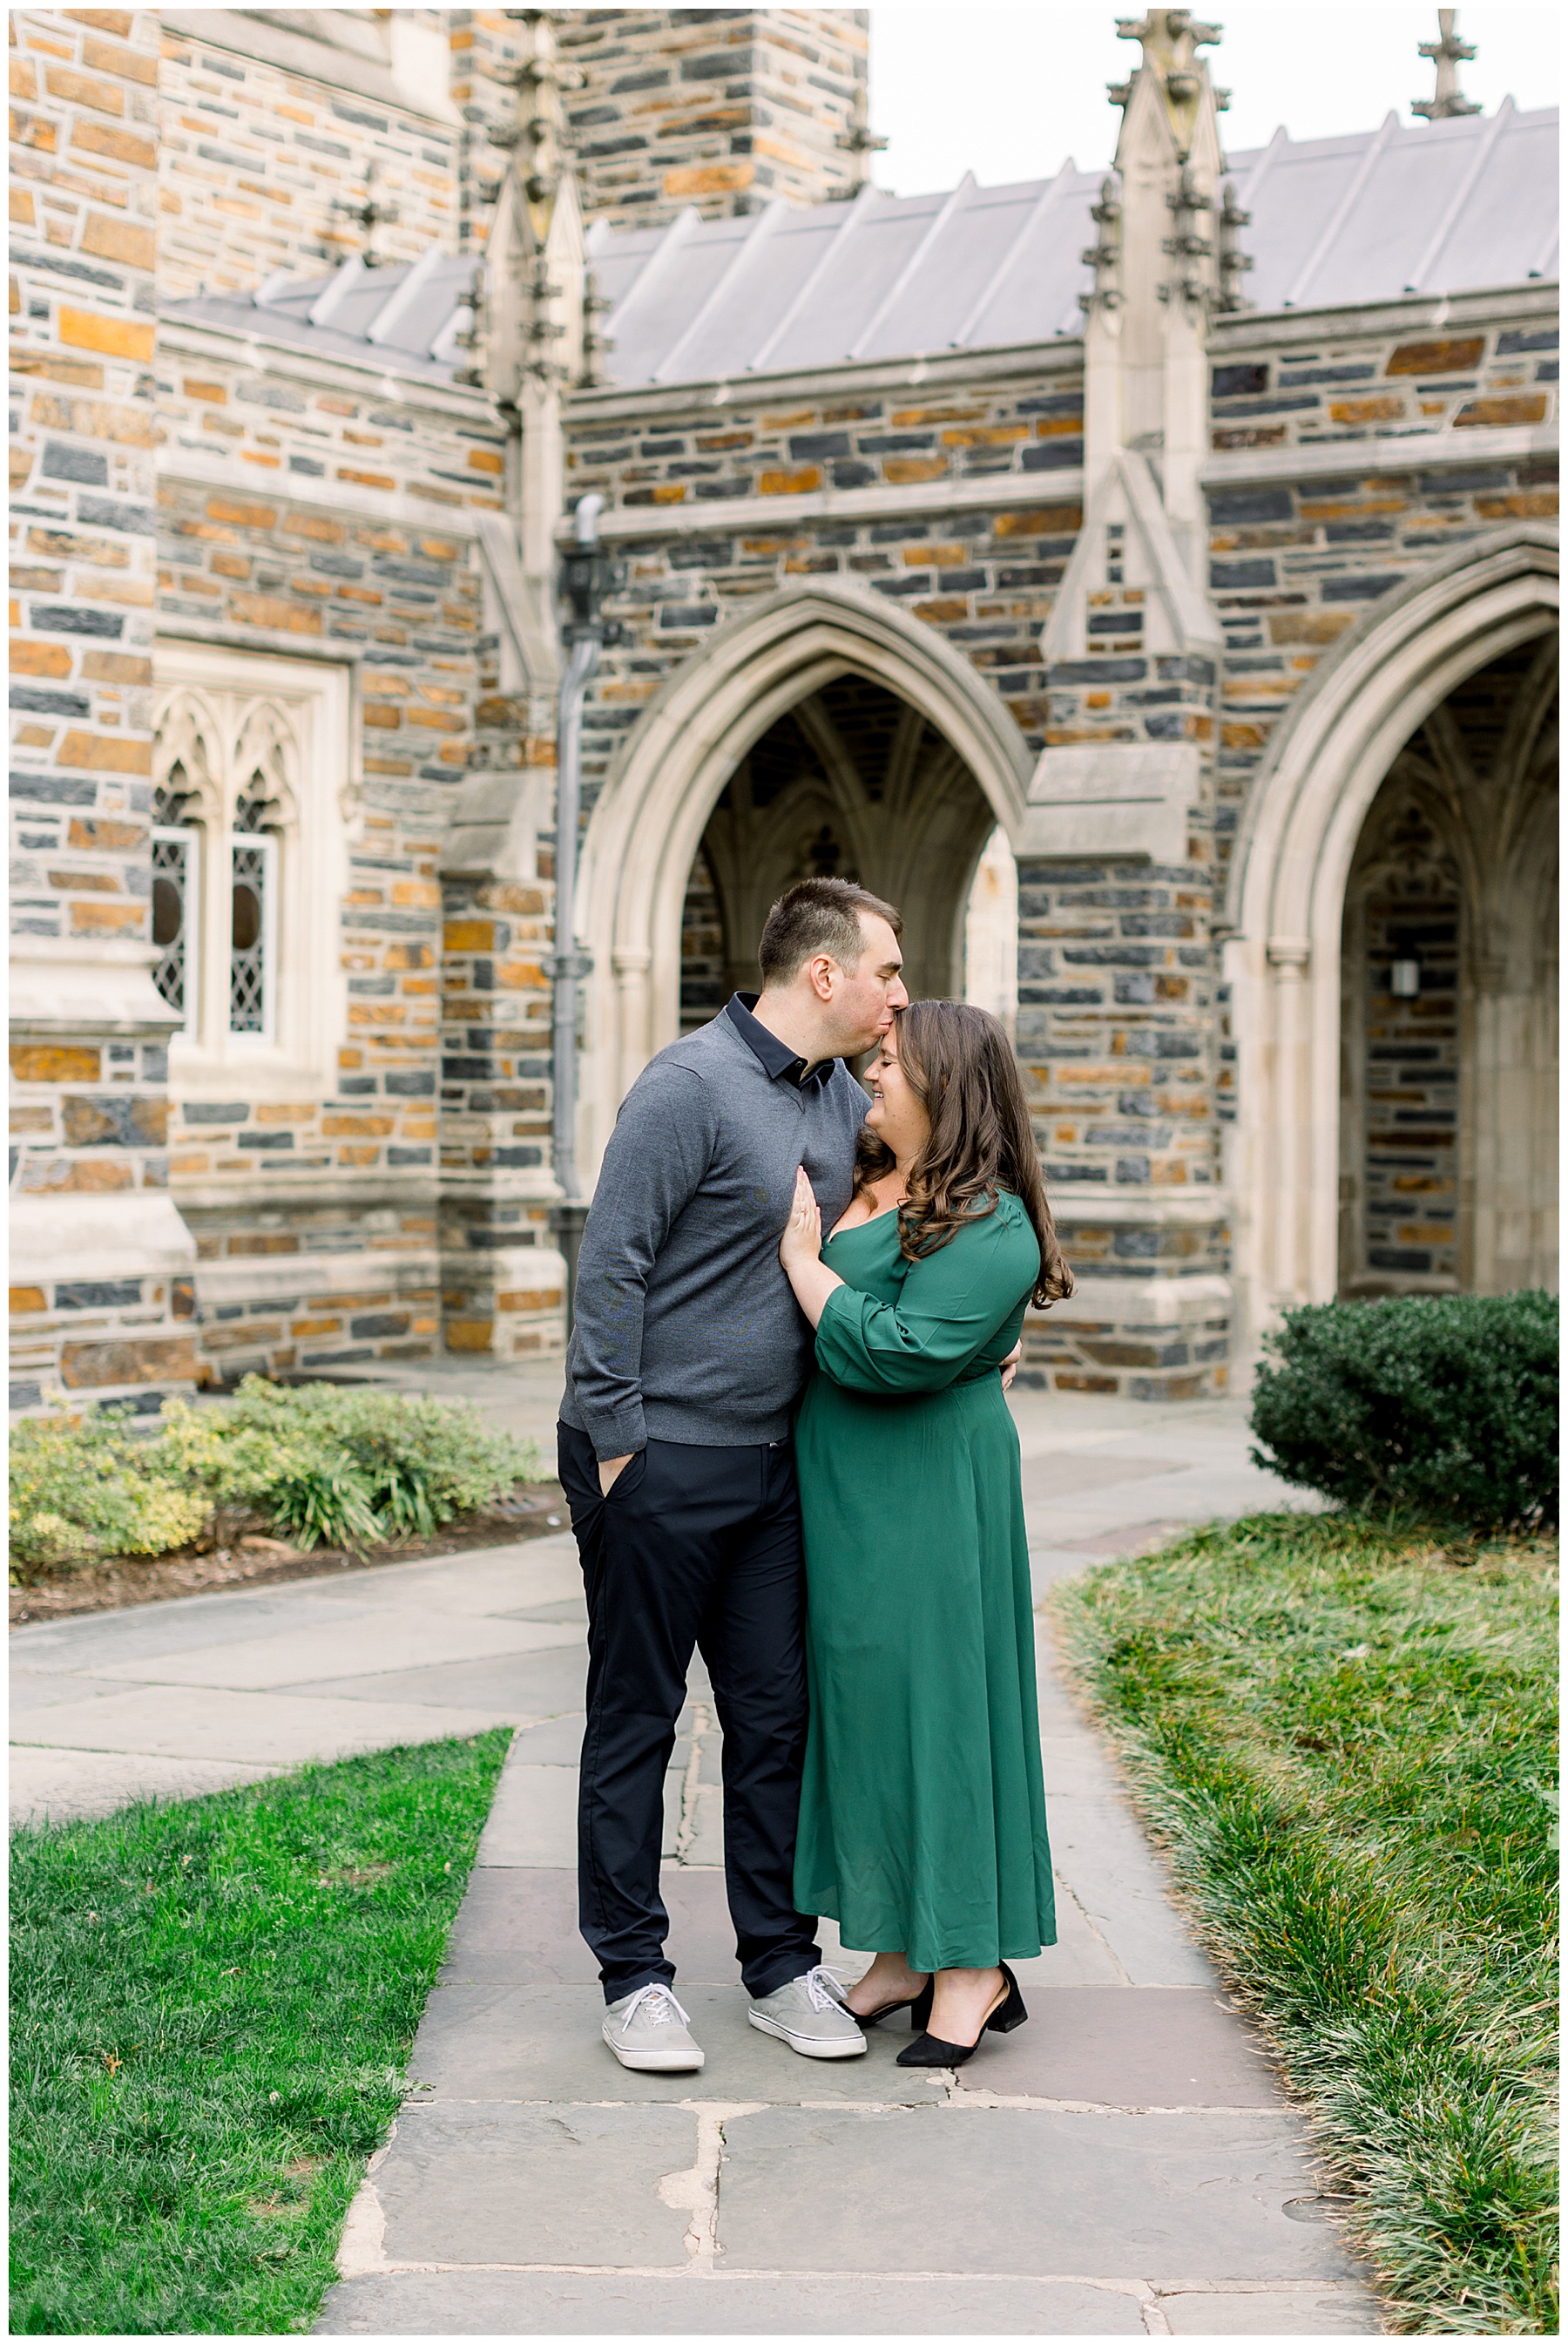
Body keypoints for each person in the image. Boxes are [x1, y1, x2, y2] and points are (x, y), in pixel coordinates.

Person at [557, 877, 909, 2074]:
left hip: (775, 1469)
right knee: (637, 1719)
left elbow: (914, 1202)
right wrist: (616, 1444)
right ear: (825, 975)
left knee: (773, 1721)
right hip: (657, 1457)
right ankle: (634, 1975)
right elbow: (611, 1268)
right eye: (888, 972)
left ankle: (777, 1961)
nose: (899, 995)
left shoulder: (842, 1095)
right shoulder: (687, 1087)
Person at [778, 998, 1072, 2067]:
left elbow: (900, 1350)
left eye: (892, 1064)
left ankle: (971, 1966)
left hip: (933, 1495)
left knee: (941, 1713)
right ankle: (899, 1946)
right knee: (865, 1712)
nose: (873, 1077)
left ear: (951, 1089)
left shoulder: (991, 1220)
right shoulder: (861, 1178)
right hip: (846, 1492)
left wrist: (809, 1272)